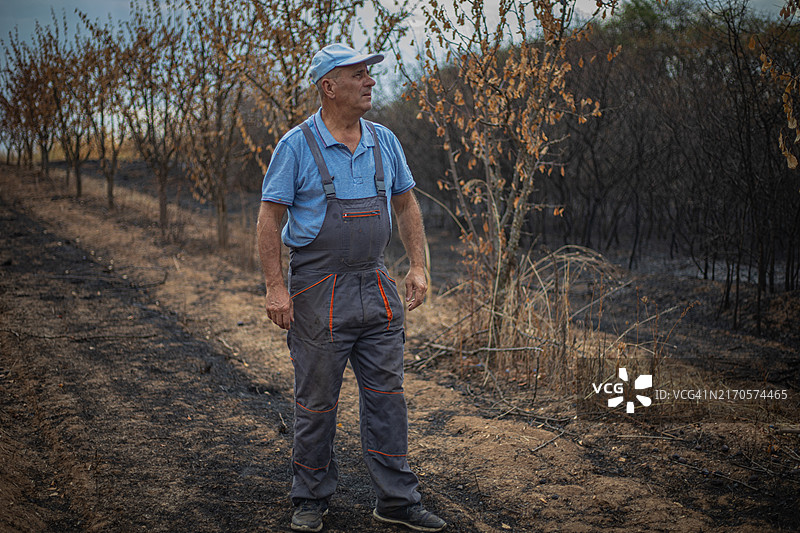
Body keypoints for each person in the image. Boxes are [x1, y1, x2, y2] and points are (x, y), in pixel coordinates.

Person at [257, 43, 446, 533]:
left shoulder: (385, 141)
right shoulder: (296, 146)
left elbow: (406, 205)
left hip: (377, 285)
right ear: (328, 86)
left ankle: (397, 501)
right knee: (317, 401)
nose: (369, 81)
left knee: (388, 397)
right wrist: (276, 287)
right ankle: (310, 497)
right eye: (358, 74)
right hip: (318, 290)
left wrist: (418, 266)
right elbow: (269, 218)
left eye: (369, 73)